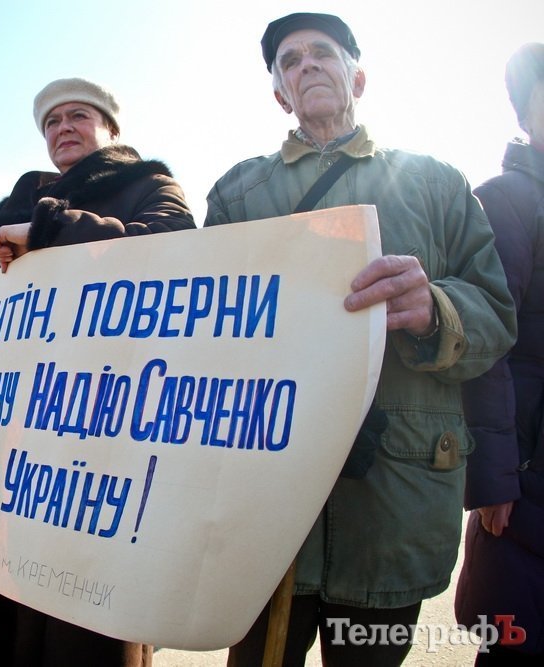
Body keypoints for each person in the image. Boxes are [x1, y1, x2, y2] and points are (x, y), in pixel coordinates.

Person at [204, 13, 517, 666]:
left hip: (395, 511)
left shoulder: (435, 182)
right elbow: (200, 328)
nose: (307, 65)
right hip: (267, 519)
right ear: (279, 95)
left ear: (359, 76)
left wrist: (434, 308)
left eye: (323, 53)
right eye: (290, 62)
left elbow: (496, 313)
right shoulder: (238, 193)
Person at [0, 78, 194, 667]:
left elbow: (173, 253)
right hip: (4, 441)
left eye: (77, 116)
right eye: (51, 122)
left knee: (80, 621)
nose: (63, 129)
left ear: (110, 128)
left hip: (96, 436)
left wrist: (52, 231)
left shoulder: (149, 186)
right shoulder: (12, 211)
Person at [455, 42, 544, 665]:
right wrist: (494, 479)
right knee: (515, 636)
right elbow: (490, 345)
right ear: (526, 114)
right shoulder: (506, 199)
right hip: (529, 478)